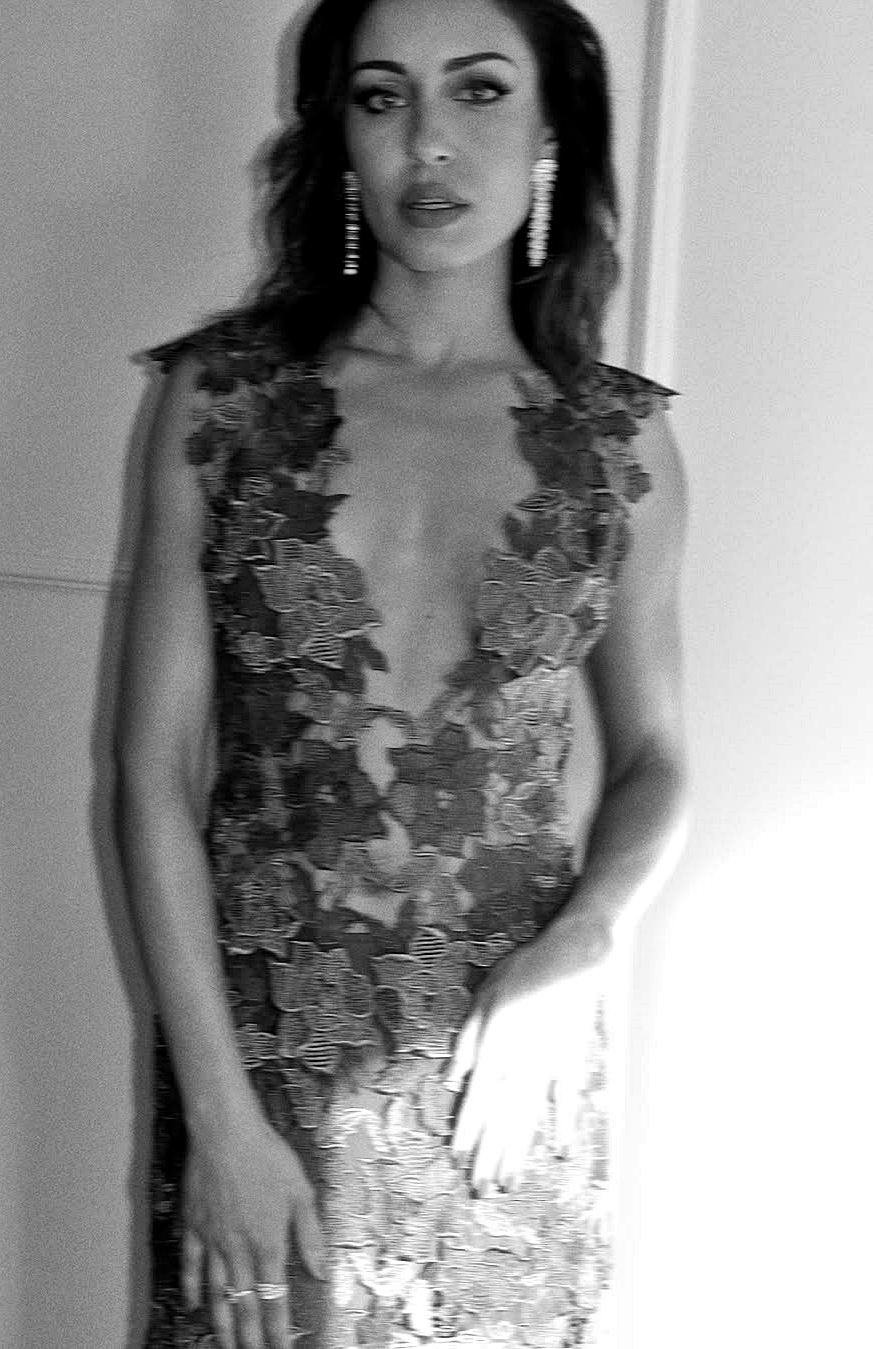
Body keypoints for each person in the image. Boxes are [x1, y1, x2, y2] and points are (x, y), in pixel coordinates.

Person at [114, 0, 688, 1344]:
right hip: (260, 1072)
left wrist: (586, 941)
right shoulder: (223, 404)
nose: (428, 139)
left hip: (506, 1078)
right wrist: (219, 1117)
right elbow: (148, 773)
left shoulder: (622, 446)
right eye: (382, 97)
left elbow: (660, 761)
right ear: (342, 140)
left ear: (551, 130)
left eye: (478, 91)